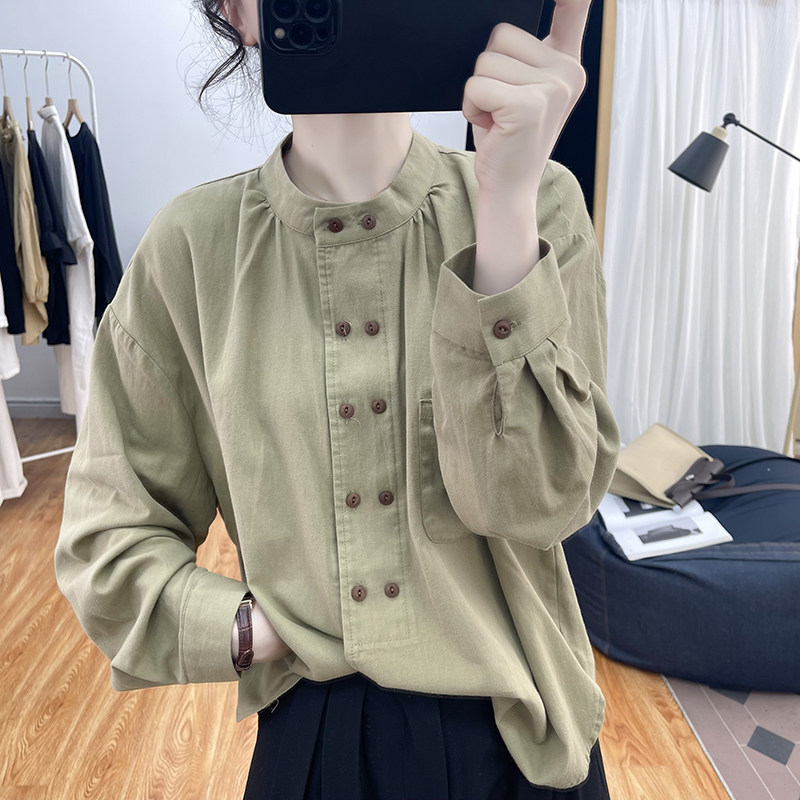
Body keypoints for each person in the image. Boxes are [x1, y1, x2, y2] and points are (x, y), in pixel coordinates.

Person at [55, 0, 621, 797]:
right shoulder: (190, 251)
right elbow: (107, 534)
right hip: (316, 743)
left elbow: (538, 507)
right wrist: (251, 630)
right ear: (236, 12)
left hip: (520, 737)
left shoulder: (541, 204)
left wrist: (504, 203)